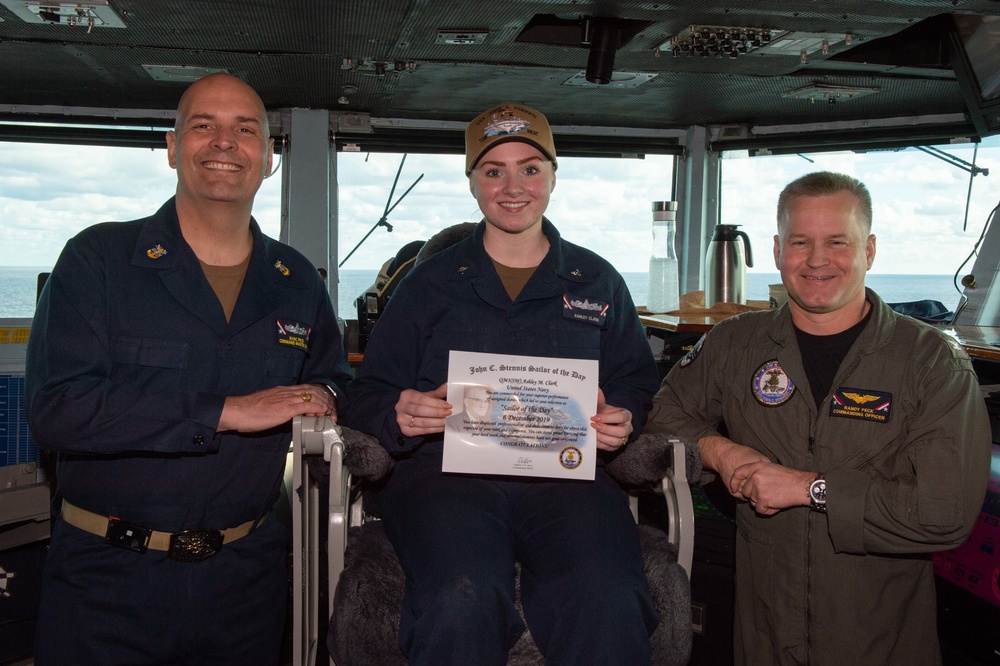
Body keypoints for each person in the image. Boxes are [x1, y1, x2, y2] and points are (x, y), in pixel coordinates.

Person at [25, 73, 354, 665]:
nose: (224, 142)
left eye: (245, 129)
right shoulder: (98, 259)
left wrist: (324, 394)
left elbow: (334, 377)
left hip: (246, 584)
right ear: (173, 149)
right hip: (107, 582)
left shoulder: (296, 279)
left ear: (268, 157)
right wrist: (227, 412)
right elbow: (59, 410)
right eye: (203, 125)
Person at [345, 102, 661, 664]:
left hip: (569, 477)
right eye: (493, 171)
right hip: (446, 474)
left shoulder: (598, 280)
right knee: (458, 598)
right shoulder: (426, 285)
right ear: (472, 183)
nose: (513, 186)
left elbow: (635, 381)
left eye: (531, 169)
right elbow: (367, 393)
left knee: (609, 597)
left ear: (554, 177)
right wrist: (400, 414)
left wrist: (624, 417)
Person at [645, 170, 992, 665]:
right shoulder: (735, 342)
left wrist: (809, 488)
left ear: (869, 250)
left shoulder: (932, 362)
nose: (816, 260)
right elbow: (663, 413)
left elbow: (945, 515)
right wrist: (722, 451)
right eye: (800, 242)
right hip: (762, 632)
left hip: (879, 638)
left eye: (837, 242)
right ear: (775, 250)